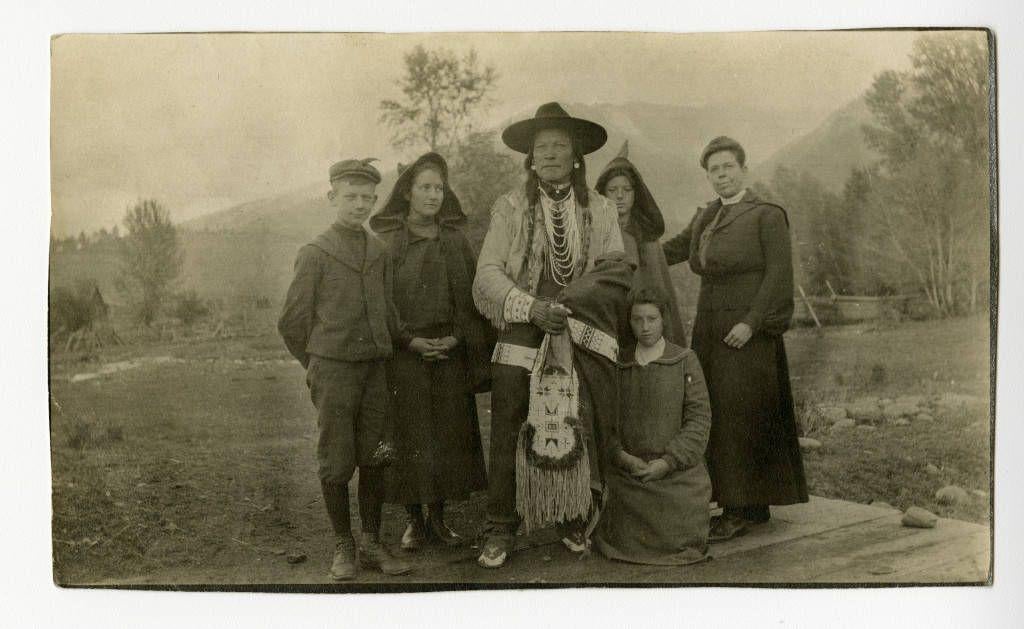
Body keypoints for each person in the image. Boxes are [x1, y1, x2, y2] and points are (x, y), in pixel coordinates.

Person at [472, 102, 630, 568]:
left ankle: (569, 514)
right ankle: (501, 525)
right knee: (510, 422)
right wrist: (532, 307)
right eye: (542, 148)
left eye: (560, 146)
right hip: (522, 327)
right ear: (530, 157)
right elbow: (486, 273)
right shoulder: (511, 206)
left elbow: (615, 269)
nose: (551, 154)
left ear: (578, 155)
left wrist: (572, 302)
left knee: (573, 421)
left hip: (578, 328)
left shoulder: (600, 210)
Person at [662, 136, 808, 542]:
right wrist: (627, 253)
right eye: (714, 169)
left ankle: (741, 508)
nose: (721, 175)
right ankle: (745, 504)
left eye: (728, 167)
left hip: (747, 331)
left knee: (744, 412)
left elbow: (779, 274)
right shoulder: (707, 216)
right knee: (719, 410)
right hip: (710, 327)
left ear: (743, 169)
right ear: (707, 176)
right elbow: (671, 250)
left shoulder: (766, 214)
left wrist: (752, 322)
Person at [278, 157, 412, 581]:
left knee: (376, 455)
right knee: (336, 459)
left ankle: (372, 541)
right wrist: (317, 362)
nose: (359, 205)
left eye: (366, 198)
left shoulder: (379, 251)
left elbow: (388, 313)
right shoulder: (315, 253)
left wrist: (407, 341)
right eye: (350, 197)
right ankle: (344, 542)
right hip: (334, 371)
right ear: (332, 197)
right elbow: (291, 323)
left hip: (374, 370)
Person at [369, 152, 492, 551]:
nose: (433, 195)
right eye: (425, 187)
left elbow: (474, 296)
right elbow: (381, 302)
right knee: (409, 434)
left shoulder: (455, 241)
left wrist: (457, 337)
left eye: (439, 188)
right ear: (407, 192)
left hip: (450, 352)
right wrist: (409, 341)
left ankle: (438, 518)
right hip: (406, 354)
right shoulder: (388, 243)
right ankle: (414, 521)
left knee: (446, 434)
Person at [594, 286, 712, 565]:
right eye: (637, 320)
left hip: (677, 477)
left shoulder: (684, 360)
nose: (645, 327)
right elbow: (605, 423)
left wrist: (668, 462)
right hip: (630, 476)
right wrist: (622, 457)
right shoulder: (619, 363)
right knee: (619, 531)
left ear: (664, 320)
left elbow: (699, 421)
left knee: (678, 534)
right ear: (629, 321)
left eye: (652, 319)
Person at [596, 141, 686, 345]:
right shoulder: (596, 235)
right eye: (612, 190)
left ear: (635, 195)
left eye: (626, 190)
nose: (620, 196)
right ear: (603, 194)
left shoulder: (647, 238)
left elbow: (662, 291)